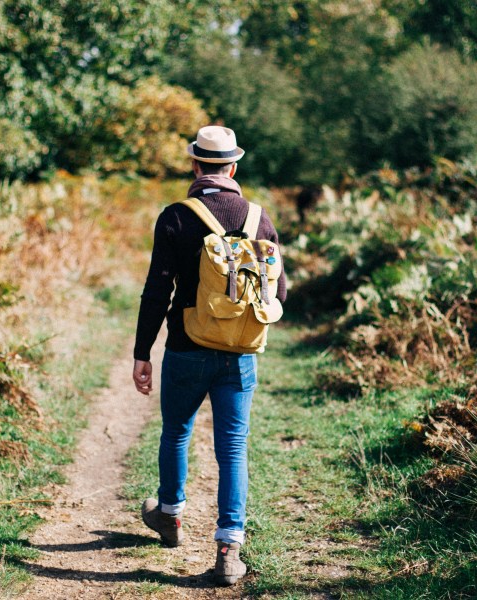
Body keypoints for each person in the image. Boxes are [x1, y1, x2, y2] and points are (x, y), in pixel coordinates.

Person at [132, 125, 288, 585]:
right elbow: (279, 289)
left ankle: (170, 516)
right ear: (233, 167)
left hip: (185, 347)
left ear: (196, 165)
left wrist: (143, 352)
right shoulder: (260, 218)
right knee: (233, 447)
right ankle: (228, 549)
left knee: (176, 432)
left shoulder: (176, 216)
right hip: (240, 353)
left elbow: (156, 290)